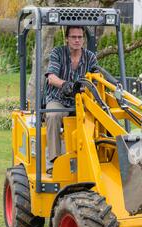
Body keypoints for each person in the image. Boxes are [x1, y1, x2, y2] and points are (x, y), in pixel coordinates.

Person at [44, 26, 98, 175]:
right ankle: (53, 161)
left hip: (81, 101)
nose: (77, 40)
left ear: (83, 39)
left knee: (100, 117)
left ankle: (95, 159)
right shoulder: (58, 53)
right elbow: (51, 77)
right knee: (53, 115)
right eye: (73, 37)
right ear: (67, 38)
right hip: (58, 98)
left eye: (80, 37)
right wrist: (65, 85)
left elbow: (97, 79)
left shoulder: (90, 57)